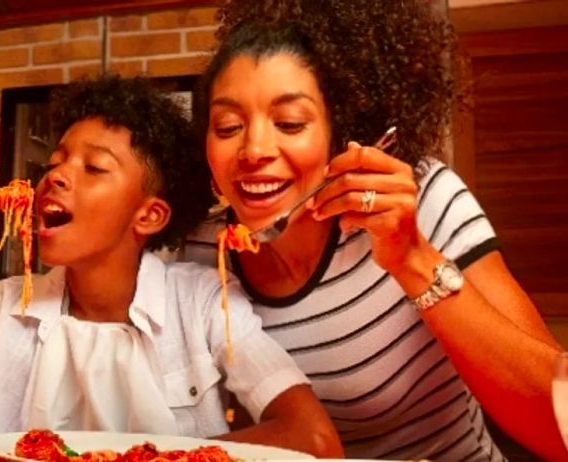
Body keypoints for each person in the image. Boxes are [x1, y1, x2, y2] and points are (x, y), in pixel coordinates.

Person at [0, 74, 342, 457]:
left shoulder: (202, 302)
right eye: (56, 162)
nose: (54, 176)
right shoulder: (8, 305)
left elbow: (314, 440)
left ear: (149, 215)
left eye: (94, 168)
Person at [184, 0, 567, 460]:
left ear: (339, 130)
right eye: (228, 127)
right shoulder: (198, 255)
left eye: (289, 123)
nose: (253, 149)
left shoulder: (423, 201)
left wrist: (412, 258)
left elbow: (558, 427)